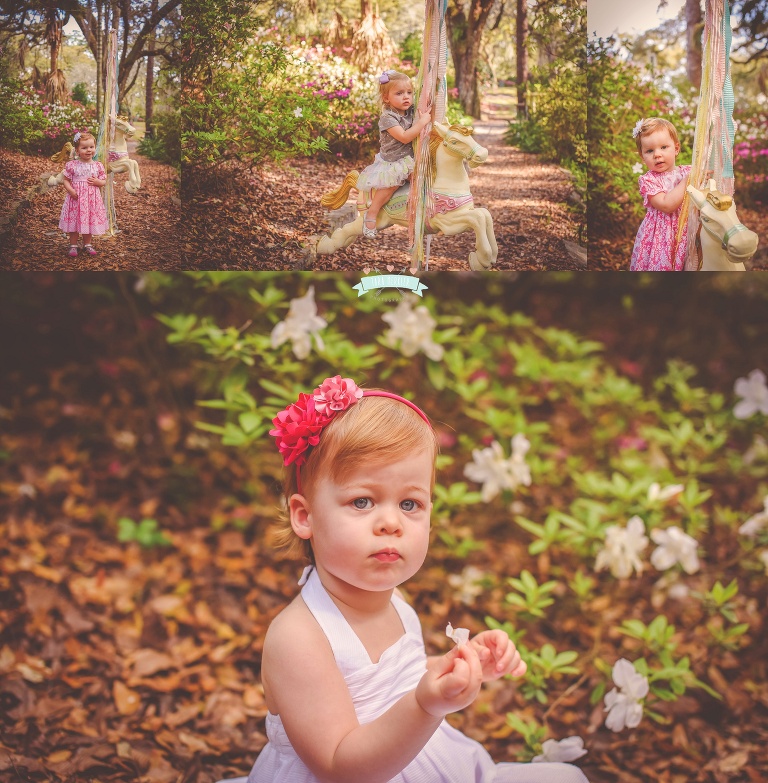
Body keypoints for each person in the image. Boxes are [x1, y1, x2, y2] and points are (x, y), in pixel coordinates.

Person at [228, 375, 589, 783]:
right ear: (305, 516)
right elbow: (338, 766)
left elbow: (396, 680)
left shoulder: (395, 600)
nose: (391, 523)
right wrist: (425, 706)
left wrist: (455, 667)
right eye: (362, 501)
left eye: (410, 503)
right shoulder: (299, 638)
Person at [357, 69, 432, 238]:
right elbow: (405, 137)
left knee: (424, 179)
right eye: (399, 93)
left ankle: (419, 211)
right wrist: (422, 122)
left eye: (409, 92)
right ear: (386, 98)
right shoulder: (388, 118)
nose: (406, 97)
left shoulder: (411, 110)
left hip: (410, 158)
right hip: (393, 161)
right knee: (392, 184)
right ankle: (372, 213)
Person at [630, 117, 692, 271]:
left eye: (664, 147)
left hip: (688, 230)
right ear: (642, 156)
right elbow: (666, 205)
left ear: (676, 148)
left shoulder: (688, 172)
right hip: (661, 238)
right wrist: (688, 181)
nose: (657, 154)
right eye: (649, 151)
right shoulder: (648, 181)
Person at [59, 131, 108, 257]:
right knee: (74, 222)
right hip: (76, 199)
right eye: (84, 148)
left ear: (95, 148)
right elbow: (66, 180)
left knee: (89, 221)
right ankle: (73, 245)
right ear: (77, 150)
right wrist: (71, 190)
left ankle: (87, 244)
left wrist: (98, 181)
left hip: (91, 200)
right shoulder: (72, 165)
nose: (88, 150)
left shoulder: (98, 166)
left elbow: (104, 180)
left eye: (91, 147)